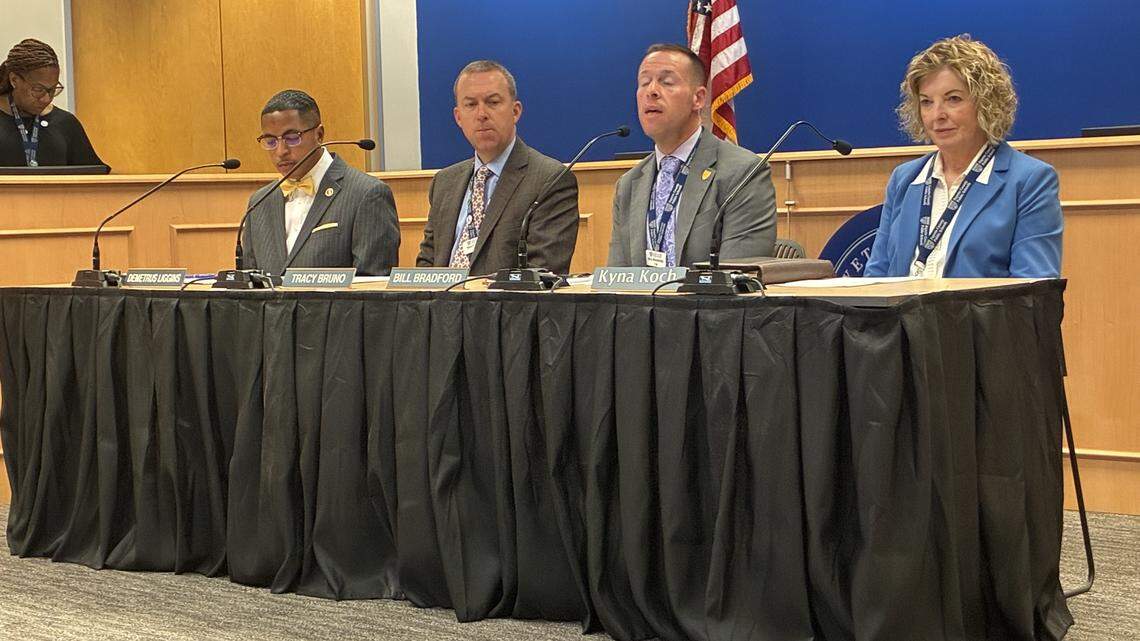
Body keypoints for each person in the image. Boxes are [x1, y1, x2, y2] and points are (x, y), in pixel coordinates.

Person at [865, 35, 1063, 278]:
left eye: (953, 99)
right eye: (927, 102)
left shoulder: (1029, 181)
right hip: (900, 317)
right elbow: (876, 277)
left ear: (986, 103)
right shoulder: (905, 179)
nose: (937, 114)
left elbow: (1032, 292)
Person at [607, 43, 776, 268]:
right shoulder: (628, 185)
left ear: (698, 98)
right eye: (644, 82)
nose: (651, 91)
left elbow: (736, 280)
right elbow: (616, 279)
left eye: (666, 82)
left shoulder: (743, 174)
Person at [416, 60, 579, 275]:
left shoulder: (550, 180)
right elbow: (426, 264)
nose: (481, 114)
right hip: (440, 306)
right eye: (471, 105)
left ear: (515, 111)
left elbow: (541, 276)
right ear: (458, 117)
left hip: (504, 307)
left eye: (492, 102)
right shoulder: (444, 182)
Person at [243, 89, 399, 276]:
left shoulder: (367, 194)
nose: (280, 151)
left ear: (319, 134)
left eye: (292, 138)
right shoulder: (259, 203)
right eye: (270, 141)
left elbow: (372, 291)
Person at [0, 38, 105, 168]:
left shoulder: (65, 123)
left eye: (53, 90)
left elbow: (95, 177)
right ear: (14, 80)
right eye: (38, 90)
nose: (46, 99)